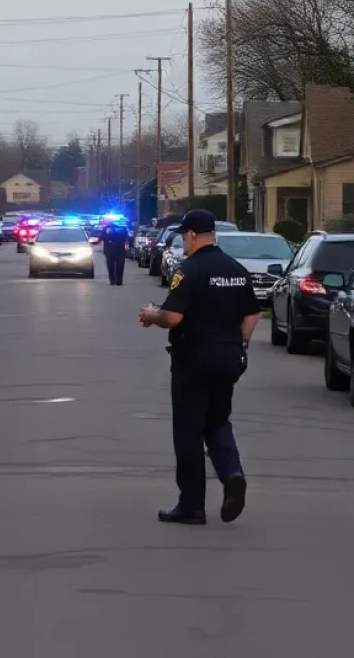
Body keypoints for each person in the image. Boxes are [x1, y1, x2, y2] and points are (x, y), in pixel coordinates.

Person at [139, 209, 262, 526]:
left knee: (189, 431)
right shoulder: (236, 269)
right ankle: (232, 473)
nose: (183, 242)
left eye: (183, 236)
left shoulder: (189, 270)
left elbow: (173, 317)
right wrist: (242, 344)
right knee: (218, 421)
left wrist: (152, 315)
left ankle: (191, 505)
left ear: (193, 235)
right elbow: (252, 314)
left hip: (193, 359)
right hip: (229, 358)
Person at [101, 220, 130, 285]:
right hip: (120, 249)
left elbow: (102, 237)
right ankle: (118, 280)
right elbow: (127, 239)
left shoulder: (107, 228)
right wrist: (127, 247)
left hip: (110, 250)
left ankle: (112, 280)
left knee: (110, 266)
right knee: (120, 266)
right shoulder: (123, 228)